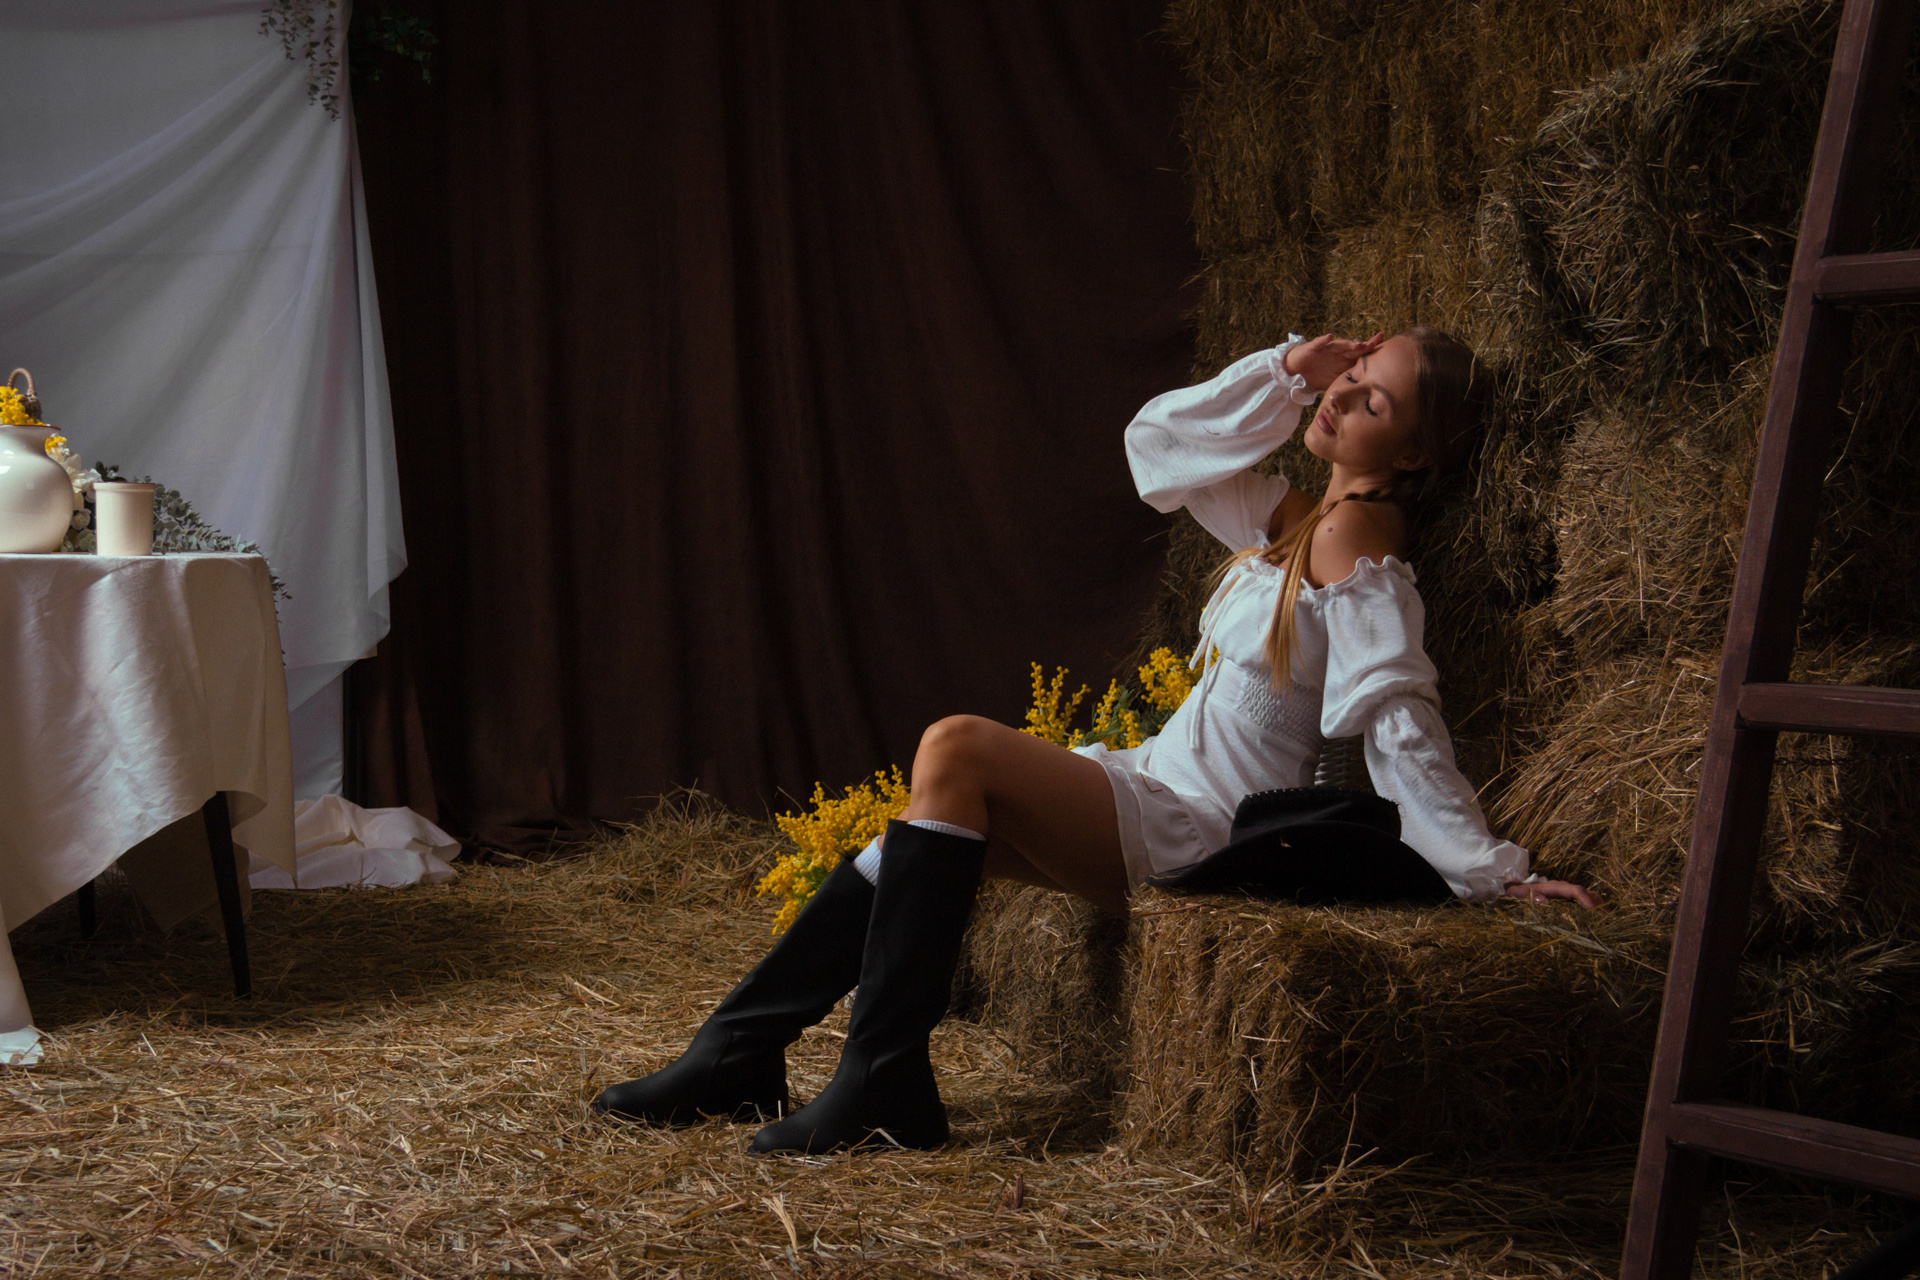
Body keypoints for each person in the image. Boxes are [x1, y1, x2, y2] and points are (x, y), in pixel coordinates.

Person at [591, 327, 1596, 1155]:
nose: (1342, 396)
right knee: (931, 824)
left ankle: (866, 1074)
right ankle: (745, 1049)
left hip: (1206, 828)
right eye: (1355, 370)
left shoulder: (1359, 548)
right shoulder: (1296, 521)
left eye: (1372, 399)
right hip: (1158, 782)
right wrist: (1289, 369)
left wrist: (1485, 868)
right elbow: (1159, 445)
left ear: (1413, 455)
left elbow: (1399, 717)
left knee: (956, 748)